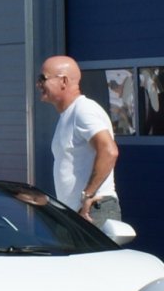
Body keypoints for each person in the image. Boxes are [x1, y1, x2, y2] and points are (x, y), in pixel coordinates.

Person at [36, 55, 122, 228]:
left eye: (42, 79)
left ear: (64, 81)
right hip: (76, 213)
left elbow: (109, 151)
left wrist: (87, 196)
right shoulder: (68, 115)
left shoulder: (84, 110)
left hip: (93, 210)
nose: (38, 85)